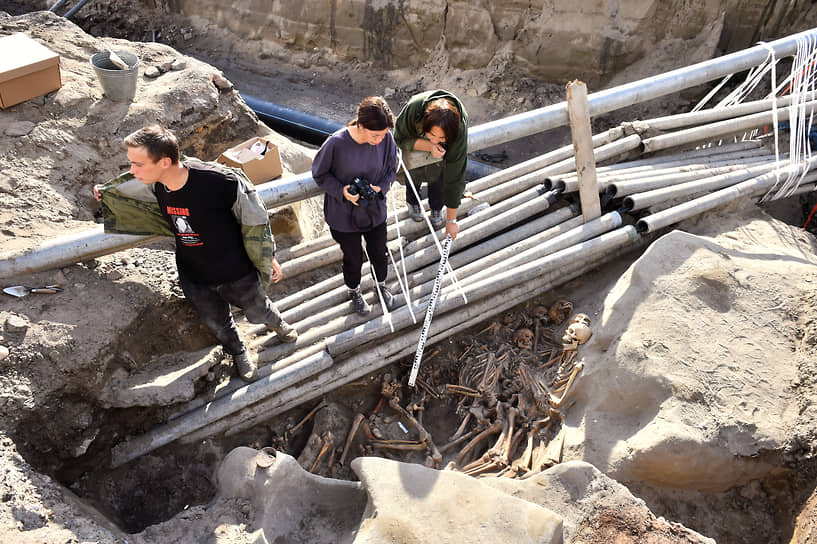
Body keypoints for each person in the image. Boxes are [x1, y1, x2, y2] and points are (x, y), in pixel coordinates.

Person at [93, 125, 297, 381]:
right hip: (194, 275)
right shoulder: (155, 184)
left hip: (236, 271)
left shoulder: (220, 182)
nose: (132, 171)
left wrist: (266, 255)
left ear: (165, 162)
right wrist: (107, 192)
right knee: (219, 324)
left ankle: (277, 323)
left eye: (138, 164)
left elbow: (254, 220)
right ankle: (239, 352)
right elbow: (129, 190)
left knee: (257, 310)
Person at [311, 96, 399, 315]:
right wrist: (342, 192)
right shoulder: (336, 143)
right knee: (353, 257)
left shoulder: (386, 139)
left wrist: (381, 187)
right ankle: (354, 290)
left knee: (379, 252)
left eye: (383, 134)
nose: (380, 140)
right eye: (375, 135)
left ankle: (380, 286)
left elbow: (392, 168)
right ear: (360, 126)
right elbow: (319, 174)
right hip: (343, 215)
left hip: (374, 211)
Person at [393, 89, 468, 240]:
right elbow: (399, 138)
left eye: (442, 137)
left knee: (439, 174)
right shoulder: (414, 109)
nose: (435, 139)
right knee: (413, 171)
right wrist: (427, 146)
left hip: (440, 154)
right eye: (432, 134)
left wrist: (451, 221)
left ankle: (436, 207)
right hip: (414, 141)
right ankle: (413, 201)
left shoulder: (459, 130)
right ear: (424, 123)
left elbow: (455, 177)